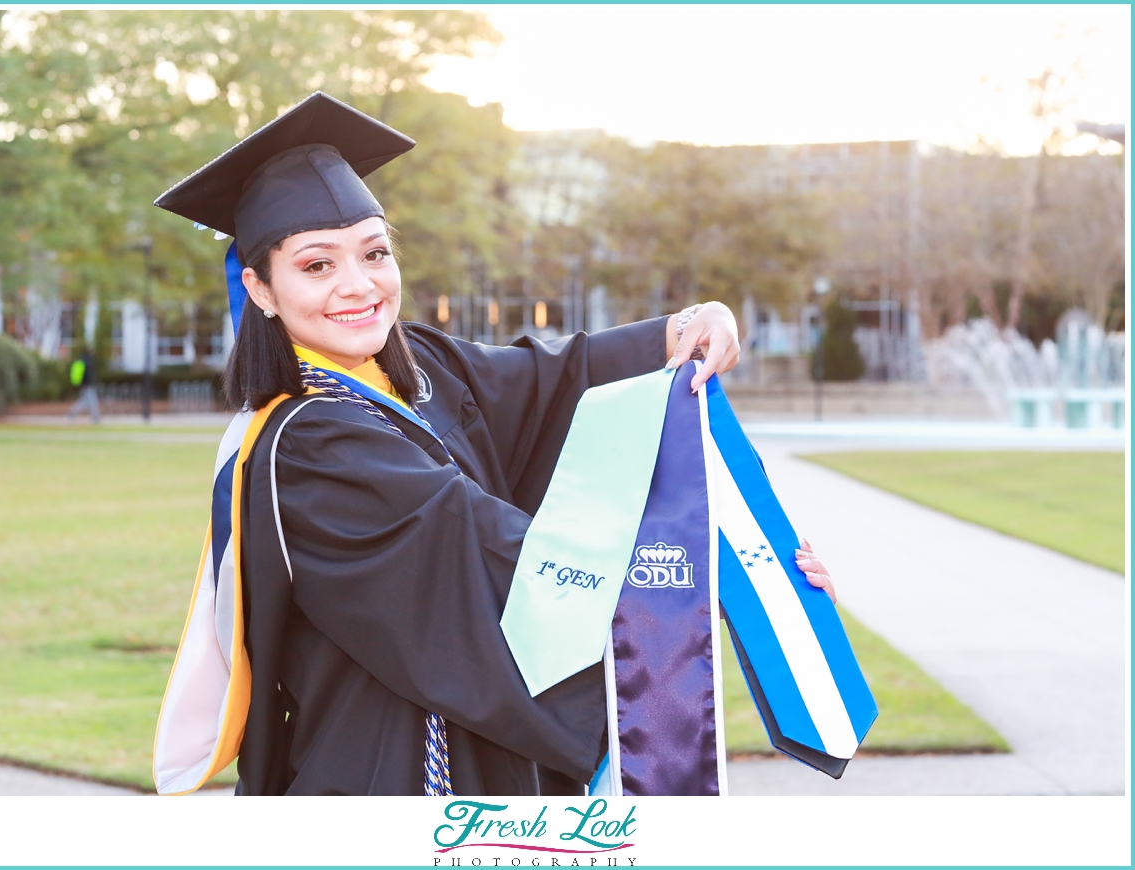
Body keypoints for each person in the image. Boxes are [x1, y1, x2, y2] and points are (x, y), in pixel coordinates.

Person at [154, 92, 835, 796]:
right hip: (388, 781)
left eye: (375, 253)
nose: (358, 285)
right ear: (261, 290)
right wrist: (717, 576)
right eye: (317, 265)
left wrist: (693, 325)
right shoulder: (305, 444)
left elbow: (558, 383)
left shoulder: (419, 365)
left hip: (492, 767)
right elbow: (489, 557)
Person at [67, 349, 101, 424]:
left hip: (84, 385)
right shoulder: (88, 362)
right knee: (92, 401)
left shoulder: (82, 361)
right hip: (89, 386)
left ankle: (72, 412)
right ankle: (95, 417)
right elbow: (88, 376)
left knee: (84, 401)